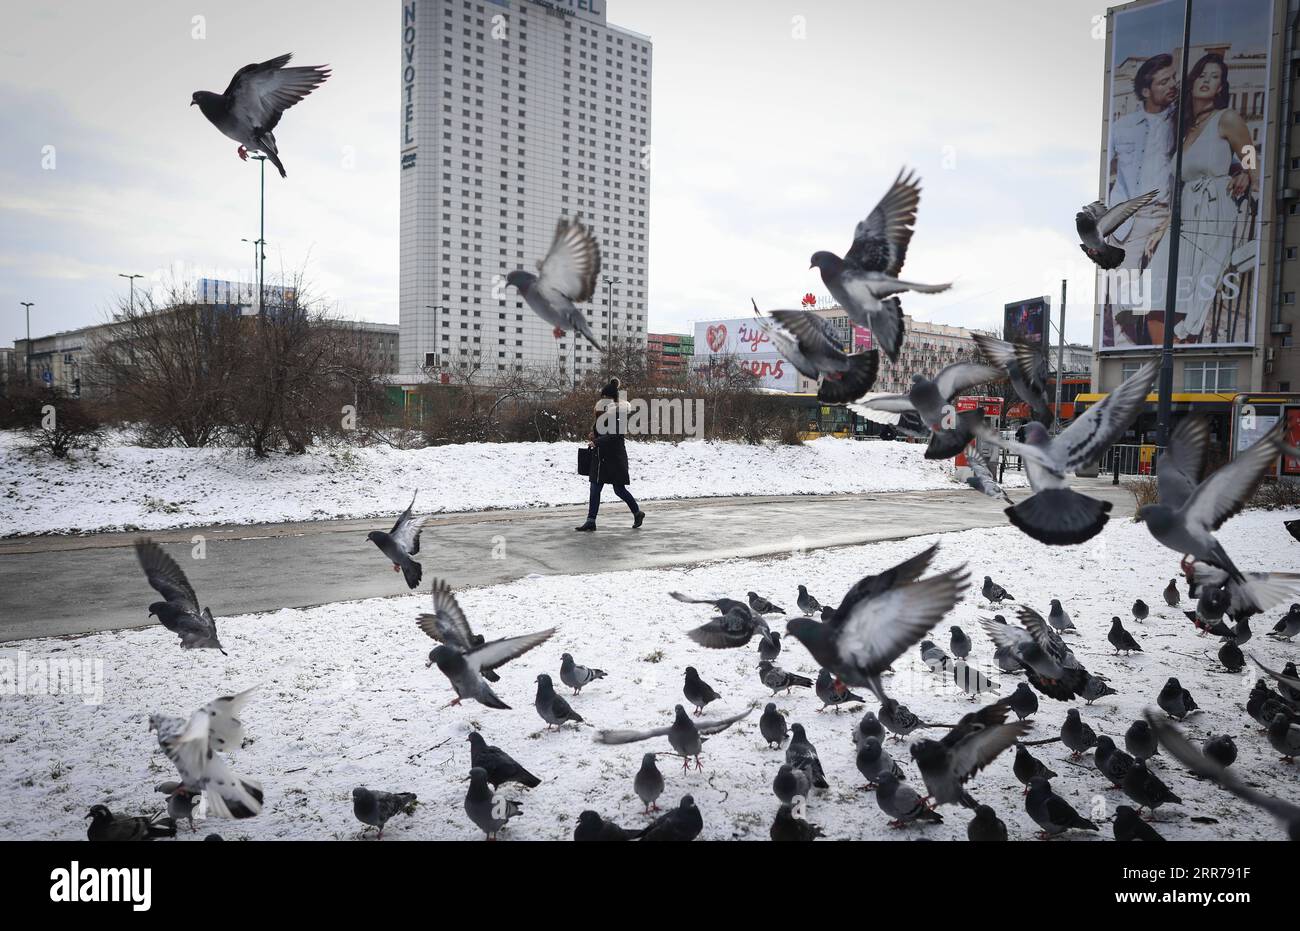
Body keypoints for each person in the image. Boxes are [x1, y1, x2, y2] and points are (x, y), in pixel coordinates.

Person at [1162, 53, 1257, 343]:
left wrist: (1246, 174)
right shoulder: (1182, 129)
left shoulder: (1226, 118)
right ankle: (1181, 327)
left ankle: (1188, 328)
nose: (1207, 80)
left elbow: (1251, 154)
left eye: (1214, 77)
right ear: (1192, 82)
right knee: (1182, 275)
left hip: (1217, 199)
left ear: (1220, 88)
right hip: (1187, 205)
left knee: (1211, 266)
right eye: (1203, 74)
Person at [1107, 53, 1178, 347]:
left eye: (1173, 78)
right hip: (1131, 219)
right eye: (1164, 82)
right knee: (1123, 291)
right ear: (1147, 90)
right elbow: (1107, 164)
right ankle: (1127, 350)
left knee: (1163, 289)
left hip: (1167, 215)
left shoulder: (1180, 119)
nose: (1172, 85)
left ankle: (1160, 346)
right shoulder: (1122, 127)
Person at [575, 377, 645, 532]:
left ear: (612, 398)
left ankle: (637, 512)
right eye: (603, 397)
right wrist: (593, 435)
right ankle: (591, 521)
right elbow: (601, 430)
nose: (603, 400)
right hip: (600, 458)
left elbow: (616, 435)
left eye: (606, 397)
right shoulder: (603, 412)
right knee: (595, 488)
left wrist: (597, 442)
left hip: (615, 458)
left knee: (619, 490)